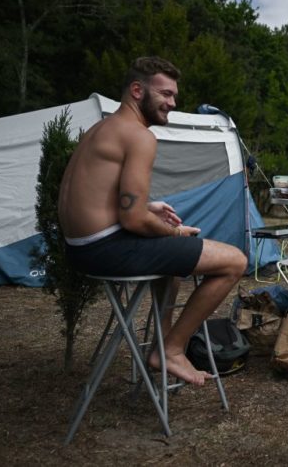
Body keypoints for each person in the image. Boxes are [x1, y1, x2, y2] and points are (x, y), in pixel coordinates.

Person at [58, 56, 247, 385]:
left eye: (173, 95)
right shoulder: (139, 136)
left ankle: (162, 340)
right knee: (235, 261)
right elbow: (132, 219)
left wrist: (150, 207)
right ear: (136, 90)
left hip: (79, 248)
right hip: (106, 248)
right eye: (165, 94)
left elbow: (108, 197)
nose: (172, 103)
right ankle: (171, 350)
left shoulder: (101, 129)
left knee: (172, 260)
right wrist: (174, 231)